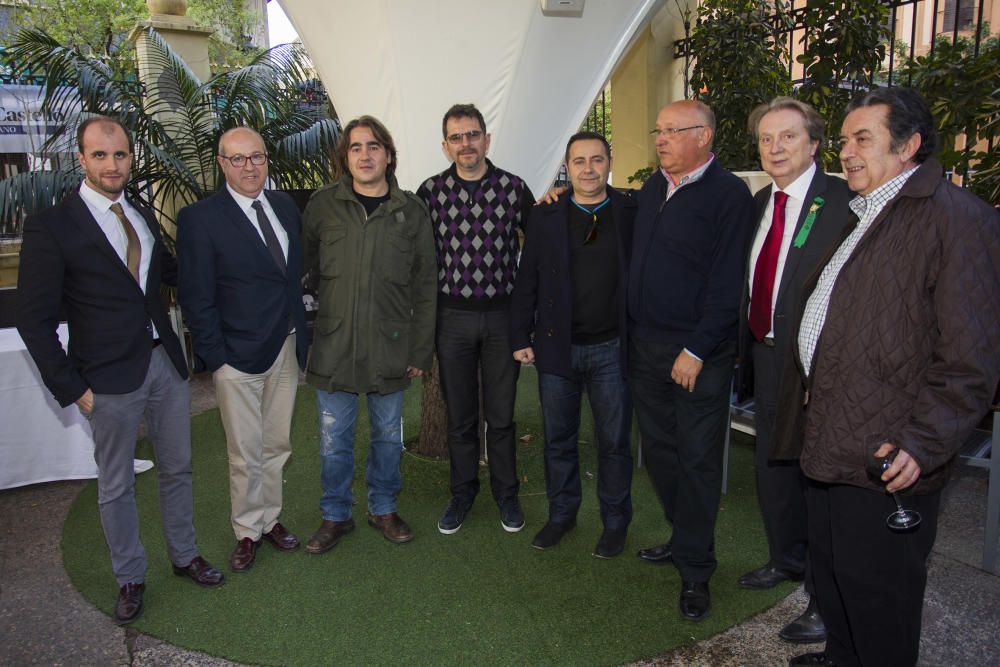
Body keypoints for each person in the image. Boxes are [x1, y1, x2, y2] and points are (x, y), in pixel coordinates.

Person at [786, 87, 1000, 667]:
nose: (847, 153)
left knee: (880, 593)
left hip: (887, 447)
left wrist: (923, 443)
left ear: (908, 146)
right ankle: (842, 656)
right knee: (834, 572)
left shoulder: (959, 221)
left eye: (863, 139)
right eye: (845, 139)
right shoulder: (868, 211)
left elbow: (971, 357)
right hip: (833, 431)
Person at [16, 116, 224, 625]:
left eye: (121, 155)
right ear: (82, 160)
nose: (113, 165)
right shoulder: (53, 225)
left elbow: (169, 273)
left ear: (131, 158)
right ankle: (130, 577)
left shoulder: (140, 214)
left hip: (164, 365)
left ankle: (184, 555)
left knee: (178, 468)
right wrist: (72, 388)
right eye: (101, 155)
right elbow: (33, 319)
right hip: (105, 380)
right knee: (116, 485)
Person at [629, 100, 754, 621]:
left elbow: (728, 286)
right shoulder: (654, 187)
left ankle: (696, 570)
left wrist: (697, 349)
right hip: (645, 347)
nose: (659, 139)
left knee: (698, 459)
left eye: (671, 131)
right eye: (657, 129)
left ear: (703, 136)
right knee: (659, 452)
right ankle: (685, 540)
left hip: (696, 354)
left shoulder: (728, 196)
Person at [736, 97, 852, 643]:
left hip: (819, 364)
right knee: (772, 464)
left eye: (787, 137)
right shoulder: (761, 202)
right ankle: (785, 559)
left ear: (814, 143)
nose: (775, 148)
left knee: (819, 479)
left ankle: (825, 600)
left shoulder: (844, 202)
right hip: (766, 354)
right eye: (766, 138)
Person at [301, 115, 436, 552]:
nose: (365, 155)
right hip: (334, 347)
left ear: (389, 155)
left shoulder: (411, 212)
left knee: (386, 438)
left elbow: (426, 286)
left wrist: (420, 348)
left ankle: (383, 507)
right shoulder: (322, 206)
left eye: (373, 146)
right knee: (334, 442)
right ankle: (335, 515)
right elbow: (306, 272)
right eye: (356, 147)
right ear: (345, 157)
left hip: (391, 350)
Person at [176, 126, 308, 572]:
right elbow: (196, 295)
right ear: (221, 163)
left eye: (257, 157)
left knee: (277, 444)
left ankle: (271, 519)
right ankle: (248, 530)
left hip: (285, 348)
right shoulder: (201, 218)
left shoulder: (286, 207)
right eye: (238, 159)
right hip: (236, 355)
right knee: (244, 451)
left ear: (266, 160)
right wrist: (218, 357)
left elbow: (289, 278)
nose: (249, 167)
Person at [510, 131, 635, 557]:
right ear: (567, 166)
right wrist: (518, 335)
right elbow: (528, 277)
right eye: (579, 161)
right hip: (556, 348)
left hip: (612, 349)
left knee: (614, 442)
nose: (588, 169)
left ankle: (615, 522)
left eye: (596, 160)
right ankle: (561, 515)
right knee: (558, 439)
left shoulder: (630, 210)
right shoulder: (546, 215)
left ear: (609, 163)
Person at [416, 103, 534, 535]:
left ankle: (507, 494)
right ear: (446, 146)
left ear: (486, 139)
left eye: (473, 134)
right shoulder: (429, 193)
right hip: (453, 320)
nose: (466, 143)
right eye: (457, 137)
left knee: (500, 416)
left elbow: (539, 244)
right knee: (460, 416)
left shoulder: (513, 188)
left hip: (502, 319)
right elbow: (419, 259)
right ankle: (462, 492)